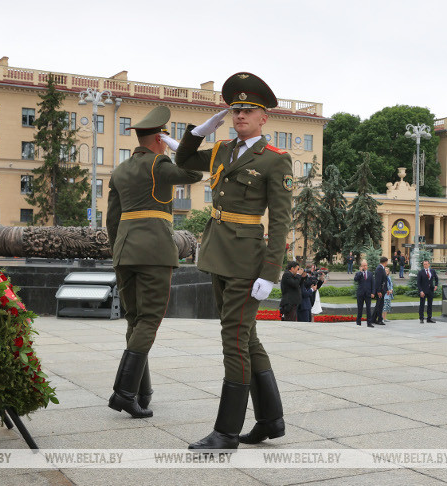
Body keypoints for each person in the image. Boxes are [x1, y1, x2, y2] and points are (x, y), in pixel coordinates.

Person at [175, 72, 292, 450]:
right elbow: (185, 159)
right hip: (218, 253)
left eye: (248, 110)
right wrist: (201, 129)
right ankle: (270, 421)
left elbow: (281, 221)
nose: (240, 115)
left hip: (246, 262)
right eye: (235, 109)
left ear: (264, 118)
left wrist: (271, 272)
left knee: (233, 339)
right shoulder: (224, 149)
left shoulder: (275, 160)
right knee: (248, 337)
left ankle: (226, 431)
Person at [105, 106, 203, 418]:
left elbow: (112, 220)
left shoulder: (119, 171)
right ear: (160, 138)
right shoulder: (159, 164)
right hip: (154, 252)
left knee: (135, 321)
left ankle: (140, 393)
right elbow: (194, 173)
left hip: (124, 251)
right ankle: (123, 392)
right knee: (149, 320)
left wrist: (118, 250)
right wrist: (182, 145)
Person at [417, 259, 439, 323]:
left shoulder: (432, 271)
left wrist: (436, 285)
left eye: (426, 264)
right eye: (424, 264)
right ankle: (421, 318)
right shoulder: (421, 272)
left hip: (430, 290)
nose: (425, 265)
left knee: (430, 304)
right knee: (422, 304)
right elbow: (418, 283)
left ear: (429, 264)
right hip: (423, 291)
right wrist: (421, 291)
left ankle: (429, 318)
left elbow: (436, 278)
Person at [353, 259, 374, 327]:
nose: (365, 267)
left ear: (367, 266)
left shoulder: (370, 274)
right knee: (360, 308)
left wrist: (373, 292)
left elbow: (373, 284)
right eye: (363, 265)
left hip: (368, 293)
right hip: (360, 293)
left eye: (365, 265)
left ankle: (369, 323)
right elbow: (355, 279)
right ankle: (358, 322)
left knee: (368, 308)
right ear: (361, 266)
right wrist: (360, 272)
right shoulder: (359, 273)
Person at [372, 257, 390, 325]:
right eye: (387, 262)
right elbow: (378, 281)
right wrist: (379, 291)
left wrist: (387, 289)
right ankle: (379, 320)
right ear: (385, 262)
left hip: (382, 290)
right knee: (379, 306)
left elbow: (384, 280)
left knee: (379, 305)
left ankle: (373, 319)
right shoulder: (379, 268)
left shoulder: (381, 268)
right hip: (380, 291)